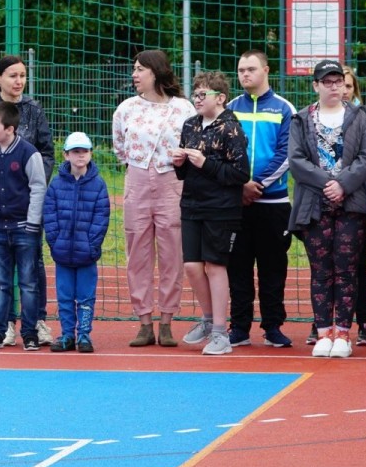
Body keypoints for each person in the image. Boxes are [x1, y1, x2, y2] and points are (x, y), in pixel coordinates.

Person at [287, 61, 366, 358]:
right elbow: (297, 160)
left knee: (347, 269)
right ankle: (323, 331)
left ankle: (343, 333)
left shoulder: (359, 117)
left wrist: (343, 185)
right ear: (316, 86)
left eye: (338, 81)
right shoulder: (301, 119)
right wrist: (328, 182)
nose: (334, 86)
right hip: (315, 204)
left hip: (352, 205)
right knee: (321, 270)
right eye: (327, 82)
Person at [112, 50, 195, 346]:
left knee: (173, 251)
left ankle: (167, 321)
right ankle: (144, 321)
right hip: (136, 179)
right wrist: (139, 165)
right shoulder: (126, 109)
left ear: (156, 72)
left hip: (171, 182)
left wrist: (177, 159)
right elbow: (119, 146)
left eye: (140, 70)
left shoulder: (184, 108)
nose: (134, 75)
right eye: (134, 69)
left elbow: (193, 143)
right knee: (137, 250)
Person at [0, 55, 56, 345]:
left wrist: (31, 179)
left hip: (27, 205)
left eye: (22, 75)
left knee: (34, 266)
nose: (19, 81)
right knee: (2, 273)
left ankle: (38, 322)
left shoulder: (33, 108)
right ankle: (6, 324)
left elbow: (46, 150)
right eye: (12, 75)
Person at [173, 72, 248, 356]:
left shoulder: (231, 128)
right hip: (192, 204)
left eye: (203, 94)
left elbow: (241, 173)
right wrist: (179, 163)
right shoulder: (190, 124)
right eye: (195, 94)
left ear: (221, 98)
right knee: (192, 266)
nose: (198, 99)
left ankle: (220, 332)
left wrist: (206, 163)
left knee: (215, 266)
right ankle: (207, 319)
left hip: (222, 207)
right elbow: (183, 173)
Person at [226, 50, 296, 348]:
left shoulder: (284, 108)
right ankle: (239, 328)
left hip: (273, 204)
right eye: (241, 70)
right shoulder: (229, 108)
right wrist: (239, 185)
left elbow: (288, 152)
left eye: (251, 69)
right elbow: (223, 150)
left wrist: (259, 184)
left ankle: (273, 327)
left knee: (273, 268)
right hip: (236, 203)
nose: (245, 74)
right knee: (237, 267)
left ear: (266, 70)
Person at [44, 131, 111, 353]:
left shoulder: (98, 184)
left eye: (84, 151)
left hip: (86, 254)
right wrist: (54, 240)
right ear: (66, 155)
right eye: (75, 151)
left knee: (85, 297)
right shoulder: (56, 184)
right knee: (64, 297)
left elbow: (102, 217)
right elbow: (50, 214)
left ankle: (83, 335)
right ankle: (66, 335)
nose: (80, 156)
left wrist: (92, 244)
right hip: (63, 252)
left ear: (90, 154)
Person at [339, 66, 366, 345]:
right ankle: (323, 324)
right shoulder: (311, 117)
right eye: (336, 84)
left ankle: (363, 322)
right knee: (327, 266)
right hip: (325, 197)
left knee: (357, 263)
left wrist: (344, 183)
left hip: (357, 200)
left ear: (355, 90)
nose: (341, 90)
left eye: (348, 86)